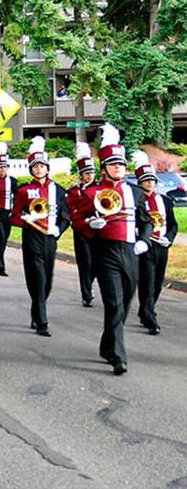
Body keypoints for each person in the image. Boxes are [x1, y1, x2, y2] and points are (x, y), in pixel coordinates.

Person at [69, 124, 153, 375]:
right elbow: (77, 220)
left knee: (126, 301)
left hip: (130, 251)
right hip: (104, 252)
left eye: (122, 165)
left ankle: (107, 344)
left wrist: (145, 241)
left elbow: (146, 221)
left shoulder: (135, 193)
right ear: (104, 167)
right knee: (114, 303)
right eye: (114, 164)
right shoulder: (92, 192)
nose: (119, 168)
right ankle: (118, 356)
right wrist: (90, 224)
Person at [9, 137, 70, 337]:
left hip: (50, 238)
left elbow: (65, 218)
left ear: (47, 168)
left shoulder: (59, 191)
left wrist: (58, 230)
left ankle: (37, 310)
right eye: (35, 167)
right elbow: (13, 217)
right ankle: (43, 321)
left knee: (47, 281)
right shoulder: (24, 191)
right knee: (37, 276)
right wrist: (27, 219)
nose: (39, 169)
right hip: (32, 237)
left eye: (42, 166)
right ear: (31, 169)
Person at [133, 151, 177, 335]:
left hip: (161, 245)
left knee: (158, 282)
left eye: (152, 179)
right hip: (145, 245)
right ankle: (151, 317)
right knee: (148, 281)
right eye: (145, 180)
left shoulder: (165, 201)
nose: (149, 183)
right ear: (140, 182)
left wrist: (169, 238)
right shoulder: (135, 201)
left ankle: (145, 310)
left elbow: (173, 224)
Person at [67, 142, 97, 307]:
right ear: (80, 174)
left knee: (96, 263)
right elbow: (71, 211)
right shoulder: (73, 192)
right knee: (84, 263)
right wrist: (83, 220)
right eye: (86, 173)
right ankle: (86, 293)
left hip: (98, 231)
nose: (90, 175)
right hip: (81, 231)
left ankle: (89, 285)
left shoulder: (100, 189)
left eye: (91, 172)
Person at [0, 142, 17, 276]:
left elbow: (17, 196)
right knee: (0, 237)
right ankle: (0, 266)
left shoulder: (13, 181)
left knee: (4, 238)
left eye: (4, 167)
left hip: (8, 213)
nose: (2, 169)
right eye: (0, 167)